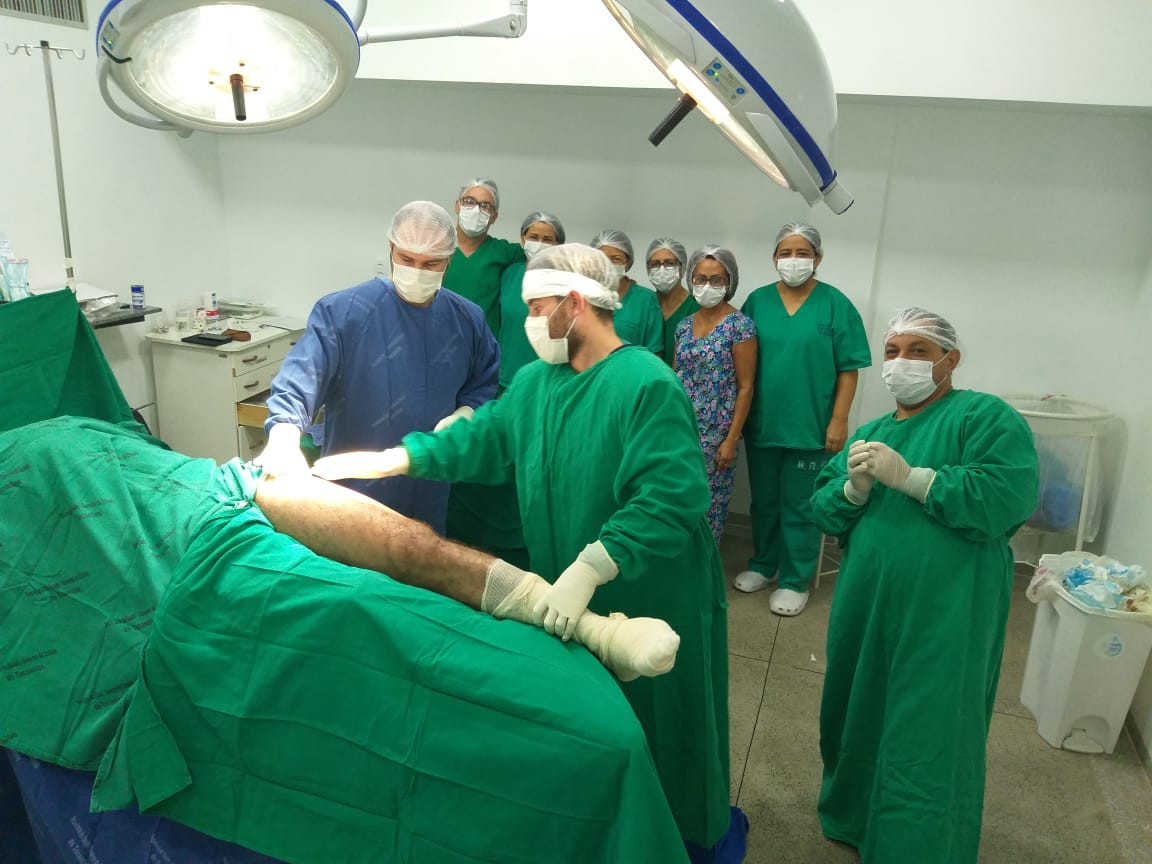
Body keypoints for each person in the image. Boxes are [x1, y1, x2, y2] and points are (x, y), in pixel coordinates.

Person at [313, 244, 744, 859]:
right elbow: (485, 439)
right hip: (570, 578)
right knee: (595, 718)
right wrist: (396, 458)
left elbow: (672, 497)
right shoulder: (539, 383)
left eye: (537, 309)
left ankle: (676, 838)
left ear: (575, 303)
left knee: (662, 716)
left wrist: (593, 566)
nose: (529, 323)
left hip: (654, 584)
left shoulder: (646, 383)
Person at [811, 308, 1039, 863]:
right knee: (856, 711)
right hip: (866, 608)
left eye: (918, 351)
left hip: (947, 611)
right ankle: (854, 816)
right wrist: (853, 490)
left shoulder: (982, 416)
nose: (901, 362)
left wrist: (913, 478)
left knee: (930, 727)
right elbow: (822, 507)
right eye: (892, 351)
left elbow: (1005, 496)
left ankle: (917, 845)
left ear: (949, 360)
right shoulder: (870, 433)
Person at [259, 201, 499, 535]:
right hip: (352, 488)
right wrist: (284, 433)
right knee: (352, 560)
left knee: (421, 558)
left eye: (430, 263)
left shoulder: (467, 320)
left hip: (429, 487)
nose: (417, 271)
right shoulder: (343, 312)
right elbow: (302, 377)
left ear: (449, 259)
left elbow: (483, 381)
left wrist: (467, 412)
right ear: (391, 249)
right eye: (407, 259)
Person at [735, 222, 871, 617]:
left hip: (811, 425)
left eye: (803, 253)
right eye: (786, 253)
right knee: (764, 502)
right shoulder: (758, 302)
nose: (793, 260)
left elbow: (848, 368)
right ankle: (765, 564)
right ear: (774, 258)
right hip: (763, 422)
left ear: (818, 258)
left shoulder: (835, 304)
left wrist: (839, 419)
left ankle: (795, 579)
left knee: (800, 505)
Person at [675, 245, 758, 541]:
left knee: (709, 507)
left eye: (716, 279)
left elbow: (746, 386)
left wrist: (731, 440)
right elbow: (676, 376)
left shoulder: (740, 327)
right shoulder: (684, 326)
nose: (707, 286)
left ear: (729, 282)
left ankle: (706, 562)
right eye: (700, 278)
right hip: (681, 428)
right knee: (678, 499)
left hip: (716, 435)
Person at [444, 177, 526, 335]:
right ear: (457, 206)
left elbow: (544, 255)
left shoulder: (505, 252)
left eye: (485, 206)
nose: (476, 210)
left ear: (494, 216)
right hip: (441, 338)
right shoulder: (437, 246)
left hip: (484, 343)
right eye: (469, 201)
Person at [498, 211, 566, 389]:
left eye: (547, 240)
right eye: (534, 237)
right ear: (523, 239)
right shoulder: (510, 273)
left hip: (546, 379)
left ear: (558, 245)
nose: (540, 244)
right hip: (505, 375)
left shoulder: (565, 282)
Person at [590, 229, 664, 357]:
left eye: (616, 259)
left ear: (628, 262)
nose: (608, 265)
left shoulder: (645, 300)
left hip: (632, 368)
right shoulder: (585, 296)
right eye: (602, 259)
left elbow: (655, 352)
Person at [647, 237, 698, 367]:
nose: (662, 269)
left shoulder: (696, 307)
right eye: (655, 264)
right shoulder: (646, 305)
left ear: (682, 266)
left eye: (669, 263)